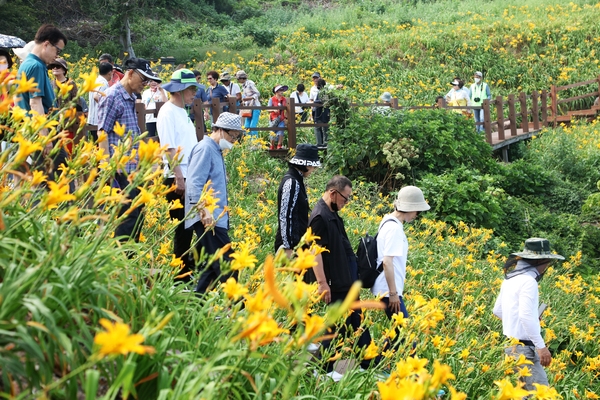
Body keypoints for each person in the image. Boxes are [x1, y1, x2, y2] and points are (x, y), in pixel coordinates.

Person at [308, 175, 377, 381]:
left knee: (356, 320)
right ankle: (322, 369)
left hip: (345, 280)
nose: (346, 202)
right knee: (336, 325)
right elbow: (314, 251)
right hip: (334, 282)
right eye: (345, 198)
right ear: (332, 193)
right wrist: (321, 283)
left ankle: (367, 363)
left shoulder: (332, 213)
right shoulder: (320, 216)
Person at [97, 57, 162, 242]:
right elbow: (102, 132)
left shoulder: (132, 97)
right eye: (144, 80)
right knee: (127, 216)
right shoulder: (112, 96)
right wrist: (107, 167)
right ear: (130, 73)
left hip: (135, 168)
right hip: (120, 168)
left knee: (137, 212)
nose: (146, 84)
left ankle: (130, 258)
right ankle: (121, 258)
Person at [493, 238, 564, 391]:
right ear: (542, 261)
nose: (547, 267)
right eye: (548, 262)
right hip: (525, 350)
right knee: (541, 393)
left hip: (510, 346)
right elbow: (525, 316)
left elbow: (497, 310)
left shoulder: (510, 279)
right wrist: (541, 347)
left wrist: (520, 322)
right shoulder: (529, 282)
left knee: (519, 394)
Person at [185, 112, 242, 293]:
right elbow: (193, 182)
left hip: (216, 218)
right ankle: (237, 310)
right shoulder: (205, 148)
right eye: (232, 136)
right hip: (209, 219)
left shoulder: (215, 150)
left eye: (236, 138)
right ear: (219, 130)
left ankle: (195, 305)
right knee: (228, 265)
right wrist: (204, 212)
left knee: (211, 269)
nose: (233, 141)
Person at [157, 69, 200, 283]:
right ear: (180, 90)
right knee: (182, 227)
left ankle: (187, 270)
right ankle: (180, 277)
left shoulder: (182, 111)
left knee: (189, 225)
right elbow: (169, 148)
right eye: (191, 89)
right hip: (177, 176)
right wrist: (179, 177)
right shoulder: (167, 112)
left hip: (188, 175)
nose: (194, 93)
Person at [15, 24, 68, 180]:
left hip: (33, 133)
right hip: (43, 135)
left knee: (44, 181)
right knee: (59, 183)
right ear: (46, 44)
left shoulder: (27, 64)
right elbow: (35, 103)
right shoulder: (36, 66)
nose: (57, 56)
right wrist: (45, 137)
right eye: (57, 50)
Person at [372, 186, 430, 323]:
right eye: (418, 211)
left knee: (398, 334)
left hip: (386, 288)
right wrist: (393, 293)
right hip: (388, 290)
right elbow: (387, 262)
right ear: (411, 208)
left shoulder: (388, 220)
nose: (417, 215)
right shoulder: (394, 228)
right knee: (405, 334)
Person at [275, 144, 321, 256]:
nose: (313, 170)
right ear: (306, 164)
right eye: (313, 166)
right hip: (290, 247)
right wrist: (288, 246)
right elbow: (285, 216)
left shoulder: (297, 180)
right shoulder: (292, 182)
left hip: (297, 243)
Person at [87, 62, 114, 141]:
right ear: (109, 73)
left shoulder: (97, 80)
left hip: (93, 119)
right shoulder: (102, 82)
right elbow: (96, 96)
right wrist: (108, 105)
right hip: (97, 120)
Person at [236, 70, 260, 137]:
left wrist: (250, 98)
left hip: (255, 106)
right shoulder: (243, 85)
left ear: (242, 78)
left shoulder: (250, 84)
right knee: (247, 126)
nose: (238, 80)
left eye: (238, 79)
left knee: (252, 125)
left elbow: (257, 93)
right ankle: (249, 141)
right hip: (248, 107)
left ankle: (256, 141)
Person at [268, 85, 288, 150]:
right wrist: (273, 110)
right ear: (276, 91)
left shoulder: (284, 99)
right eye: (280, 90)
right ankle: (272, 146)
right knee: (272, 132)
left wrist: (286, 118)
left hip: (281, 118)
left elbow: (287, 110)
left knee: (281, 131)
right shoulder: (271, 99)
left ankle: (279, 146)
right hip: (273, 119)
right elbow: (268, 109)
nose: (282, 92)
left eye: (282, 90)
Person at [313, 79, 330, 149]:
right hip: (325, 113)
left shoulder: (322, 92)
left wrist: (315, 102)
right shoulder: (327, 92)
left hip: (320, 113)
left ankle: (319, 143)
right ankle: (325, 143)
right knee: (325, 128)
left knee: (317, 128)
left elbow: (323, 101)